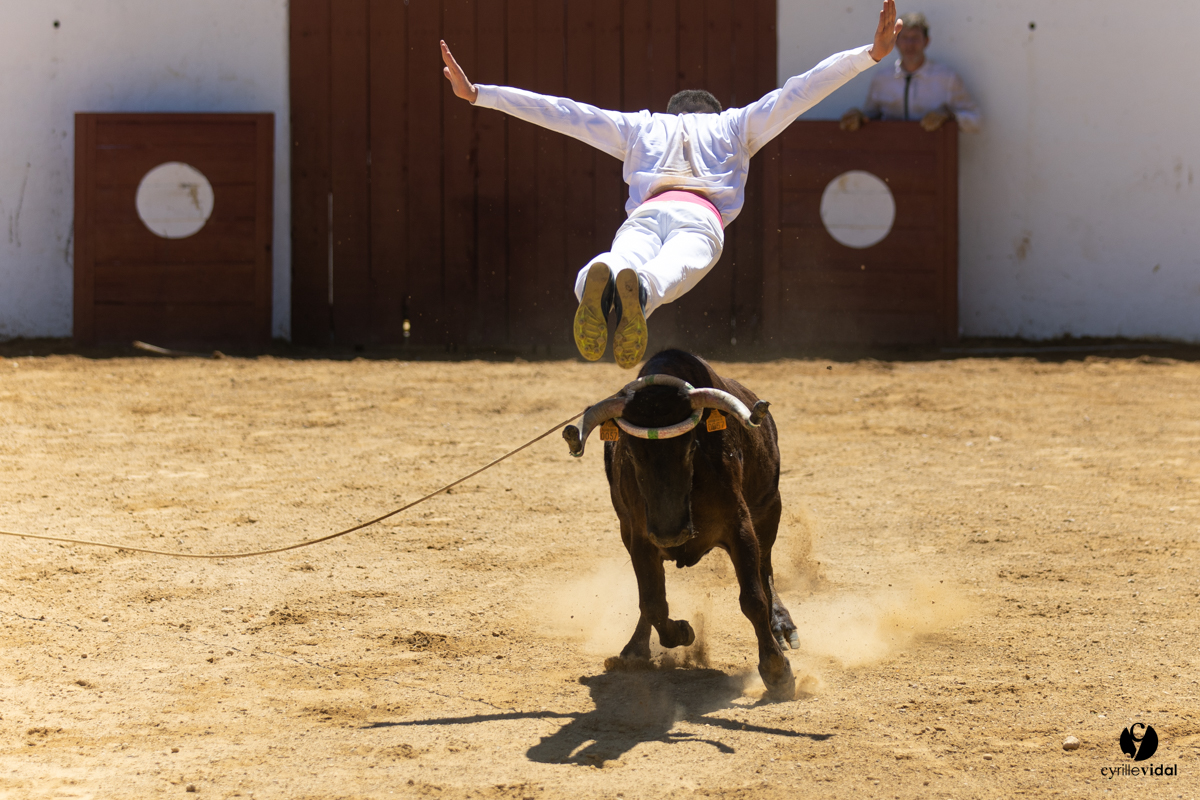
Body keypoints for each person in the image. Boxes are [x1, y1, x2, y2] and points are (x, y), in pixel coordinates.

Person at [442, 1, 903, 369]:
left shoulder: (643, 127)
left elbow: (565, 112)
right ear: (711, 109)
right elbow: (800, 90)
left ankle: (594, 282)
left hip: (646, 212)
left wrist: (480, 93)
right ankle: (639, 291)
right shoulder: (734, 124)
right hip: (700, 217)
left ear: (674, 110)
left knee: (619, 257)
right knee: (667, 272)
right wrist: (870, 55)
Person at [841, 12, 980, 134]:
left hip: (935, 155)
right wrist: (857, 116)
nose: (910, 44)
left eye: (915, 38)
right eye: (905, 38)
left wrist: (948, 116)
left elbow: (976, 121)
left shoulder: (947, 77)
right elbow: (870, 116)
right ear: (895, 42)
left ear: (926, 41)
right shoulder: (882, 78)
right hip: (891, 154)